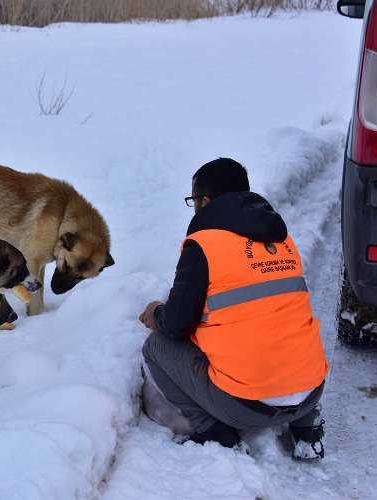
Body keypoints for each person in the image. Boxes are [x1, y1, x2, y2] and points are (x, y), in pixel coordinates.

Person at [139, 157, 328, 461]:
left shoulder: (203, 245)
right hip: (311, 392)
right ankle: (306, 428)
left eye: (194, 201)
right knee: (286, 332)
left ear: (206, 201)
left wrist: (155, 312)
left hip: (247, 407)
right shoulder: (282, 240)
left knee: (157, 345)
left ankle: (214, 432)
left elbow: (175, 325)